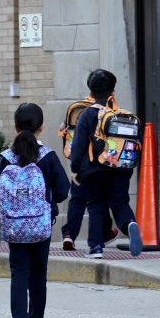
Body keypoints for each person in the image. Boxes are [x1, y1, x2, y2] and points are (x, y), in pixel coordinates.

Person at [0, 103, 70, 318]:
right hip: (41, 225)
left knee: (19, 271)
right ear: (41, 127)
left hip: (15, 227)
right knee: (39, 272)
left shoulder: (6, 158)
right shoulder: (47, 157)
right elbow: (62, 191)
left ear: (15, 127)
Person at [70, 69, 143, 259]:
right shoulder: (121, 115)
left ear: (91, 92)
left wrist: (75, 169)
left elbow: (78, 145)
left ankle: (95, 247)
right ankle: (129, 224)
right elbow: (138, 143)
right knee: (120, 202)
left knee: (96, 205)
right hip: (121, 169)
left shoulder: (87, 114)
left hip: (94, 170)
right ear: (113, 91)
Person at [59, 94, 118, 252]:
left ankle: (69, 235)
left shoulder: (78, 108)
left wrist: (75, 168)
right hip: (98, 166)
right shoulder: (107, 109)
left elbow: (63, 128)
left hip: (79, 164)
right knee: (99, 202)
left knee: (77, 200)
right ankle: (103, 233)